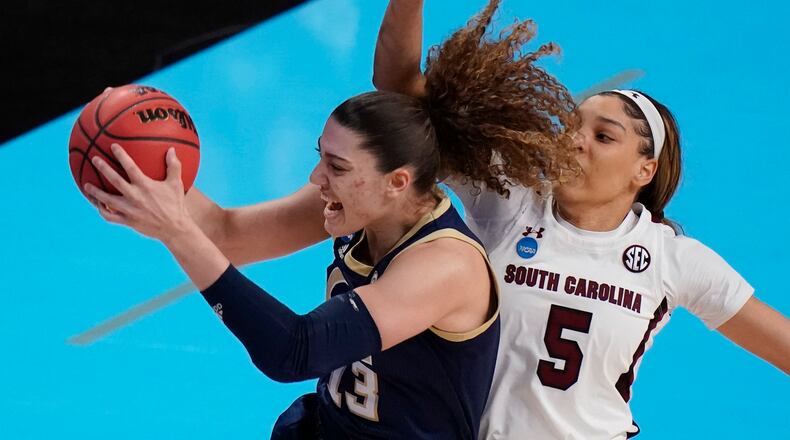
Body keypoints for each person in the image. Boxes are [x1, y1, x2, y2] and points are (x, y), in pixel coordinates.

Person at [83, 4, 581, 438]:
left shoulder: (445, 266)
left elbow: (293, 351)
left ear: (397, 181)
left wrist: (175, 230)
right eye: (320, 155)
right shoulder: (355, 206)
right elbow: (226, 235)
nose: (316, 177)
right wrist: (144, 170)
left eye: (337, 167)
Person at [371, 0, 790, 439]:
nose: (574, 141)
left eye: (603, 136)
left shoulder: (671, 259)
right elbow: (398, 91)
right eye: (572, 126)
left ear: (644, 171)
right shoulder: (509, 198)